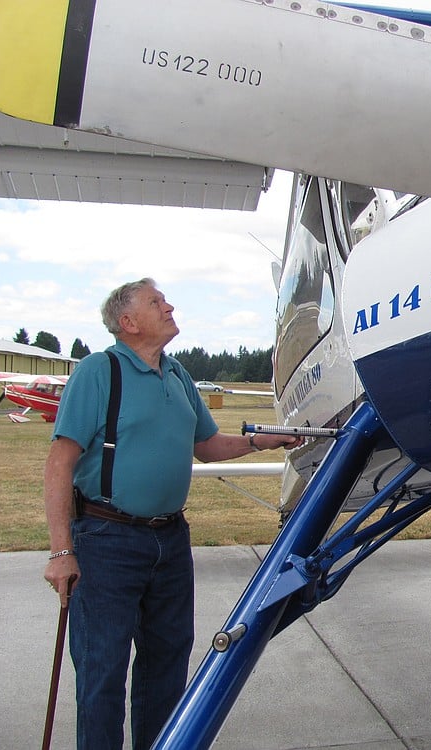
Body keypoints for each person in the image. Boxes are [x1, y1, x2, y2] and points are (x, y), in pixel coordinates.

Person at [42, 278, 301, 750]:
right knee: (102, 670)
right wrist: (62, 550)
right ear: (128, 322)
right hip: (105, 539)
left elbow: (205, 444)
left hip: (170, 540)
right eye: (156, 302)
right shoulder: (98, 372)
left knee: (167, 664)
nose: (169, 306)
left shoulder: (178, 374)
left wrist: (259, 441)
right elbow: (60, 462)